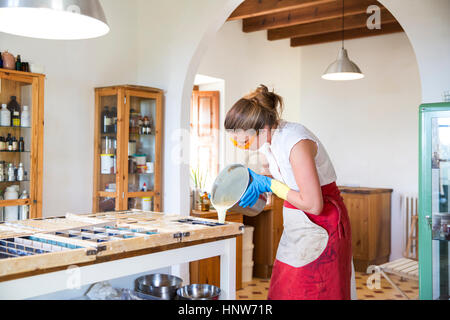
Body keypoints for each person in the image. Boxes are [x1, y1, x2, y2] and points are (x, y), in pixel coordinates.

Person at [225, 85, 356, 300]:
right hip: (298, 226)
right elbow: (286, 183)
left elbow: (314, 204)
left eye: (245, 141)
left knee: (313, 291)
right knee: (285, 290)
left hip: (322, 225)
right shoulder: (269, 143)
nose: (243, 147)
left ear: (263, 128)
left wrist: (270, 185)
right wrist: (260, 183)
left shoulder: (296, 142)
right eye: (235, 141)